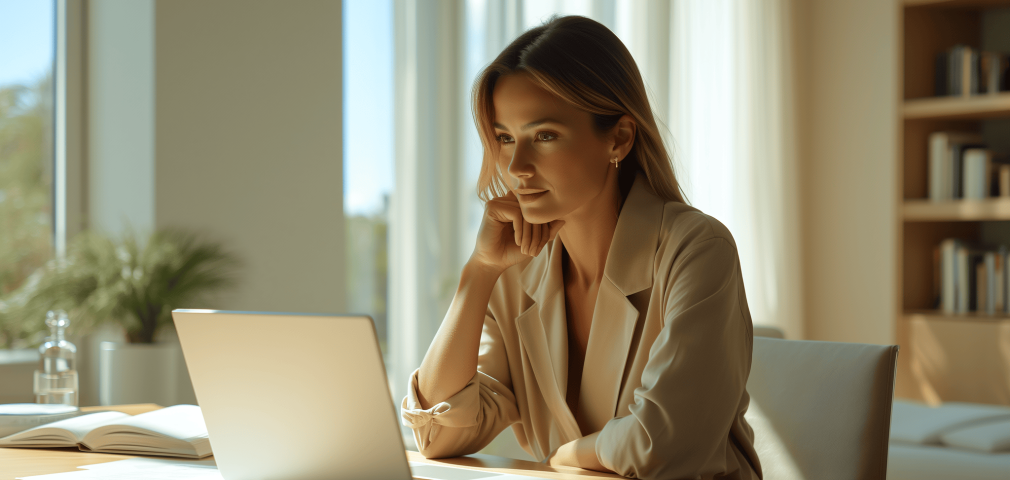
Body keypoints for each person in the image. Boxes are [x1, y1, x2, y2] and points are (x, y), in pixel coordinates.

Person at [400, 15, 762, 480]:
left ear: (619, 138)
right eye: (505, 138)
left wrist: (567, 456)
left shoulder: (696, 249)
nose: (517, 167)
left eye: (544, 136)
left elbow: (660, 448)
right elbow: (438, 433)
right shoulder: (516, 271)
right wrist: (480, 270)